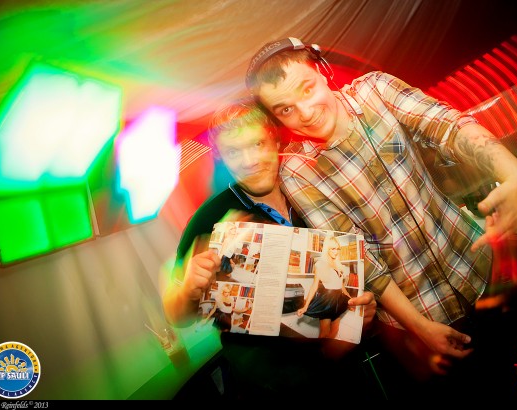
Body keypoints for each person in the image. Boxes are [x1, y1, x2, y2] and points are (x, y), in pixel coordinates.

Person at [245, 37, 517, 390]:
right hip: (422, 318)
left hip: (482, 268)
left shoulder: (376, 92)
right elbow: (359, 258)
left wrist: (515, 172)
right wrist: (420, 328)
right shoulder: (297, 171)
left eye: (306, 89)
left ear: (324, 72)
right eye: (285, 110)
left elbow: (446, 126)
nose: (305, 113)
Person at [162, 97, 383, 400]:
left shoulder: (312, 192)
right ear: (220, 157)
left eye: (257, 144)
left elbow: (349, 274)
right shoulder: (208, 220)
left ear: (275, 140)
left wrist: (360, 313)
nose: (249, 160)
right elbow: (177, 316)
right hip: (267, 389)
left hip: (342, 375)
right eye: (233, 151)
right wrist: (189, 288)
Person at [297, 235, 352, 339]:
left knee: (335, 329)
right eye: (333, 248)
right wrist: (305, 306)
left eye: (338, 249)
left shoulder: (338, 264)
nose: (336, 252)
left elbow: (341, 286)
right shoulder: (320, 264)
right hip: (327, 301)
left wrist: (350, 298)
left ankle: (328, 348)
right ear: (327, 249)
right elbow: (314, 286)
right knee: (324, 333)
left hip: (339, 300)